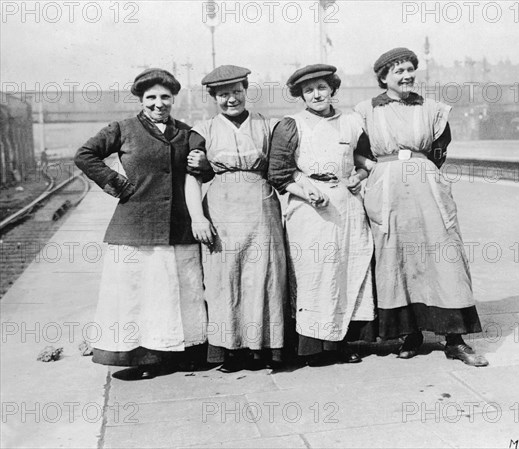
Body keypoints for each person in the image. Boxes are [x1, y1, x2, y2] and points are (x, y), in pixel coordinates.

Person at [354, 48, 488, 367]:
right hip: (387, 191)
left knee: (443, 255)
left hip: (426, 187)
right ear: (383, 77)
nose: (406, 76)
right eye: (398, 71)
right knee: (395, 257)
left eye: (410, 70)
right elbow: (356, 151)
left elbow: (439, 149)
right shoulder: (364, 111)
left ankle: (454, 339)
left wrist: (420, 168)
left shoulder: (433, 109)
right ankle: (410, 335)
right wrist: (374, 169)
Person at [74, 68, 208, 380]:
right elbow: (85, 155)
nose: (158, 103)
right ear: (141, 100)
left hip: (178, 229)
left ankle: (183, 353)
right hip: (135, 227)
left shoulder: (187, 134)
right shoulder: (123, 129)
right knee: (138, 293)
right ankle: (144, 358)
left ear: (173, 98)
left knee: (180, 292)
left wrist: (203, 164)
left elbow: (201, 172)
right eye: (151, 98)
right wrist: (117, 183)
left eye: (164, 97)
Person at [268, 64, 375, 366]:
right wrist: (305, 191)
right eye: (308, 90)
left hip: (348, 205)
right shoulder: (291, 125)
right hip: (309, 209)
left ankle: (344, 342)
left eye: (322, 88)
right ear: (301, 95)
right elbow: (278, 172)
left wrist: (361, 175)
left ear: (332, 90)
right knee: (315, 271)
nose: (316, 94)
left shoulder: (352, 122)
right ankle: (313, 346)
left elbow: (365, 157)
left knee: (348, 268)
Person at [185, 65, 286, 373]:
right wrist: (197, 218)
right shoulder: (202, 131)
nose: (232, 100)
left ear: (246, 91)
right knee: (224, 278)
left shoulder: (267, 126)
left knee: (265, 276)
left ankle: (263, 349)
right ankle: (231, 351)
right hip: (222, 209)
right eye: (224, 94)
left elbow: (282, 167)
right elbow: (193, 178)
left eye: (237, 92)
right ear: (214, 97)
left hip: (261, 207)